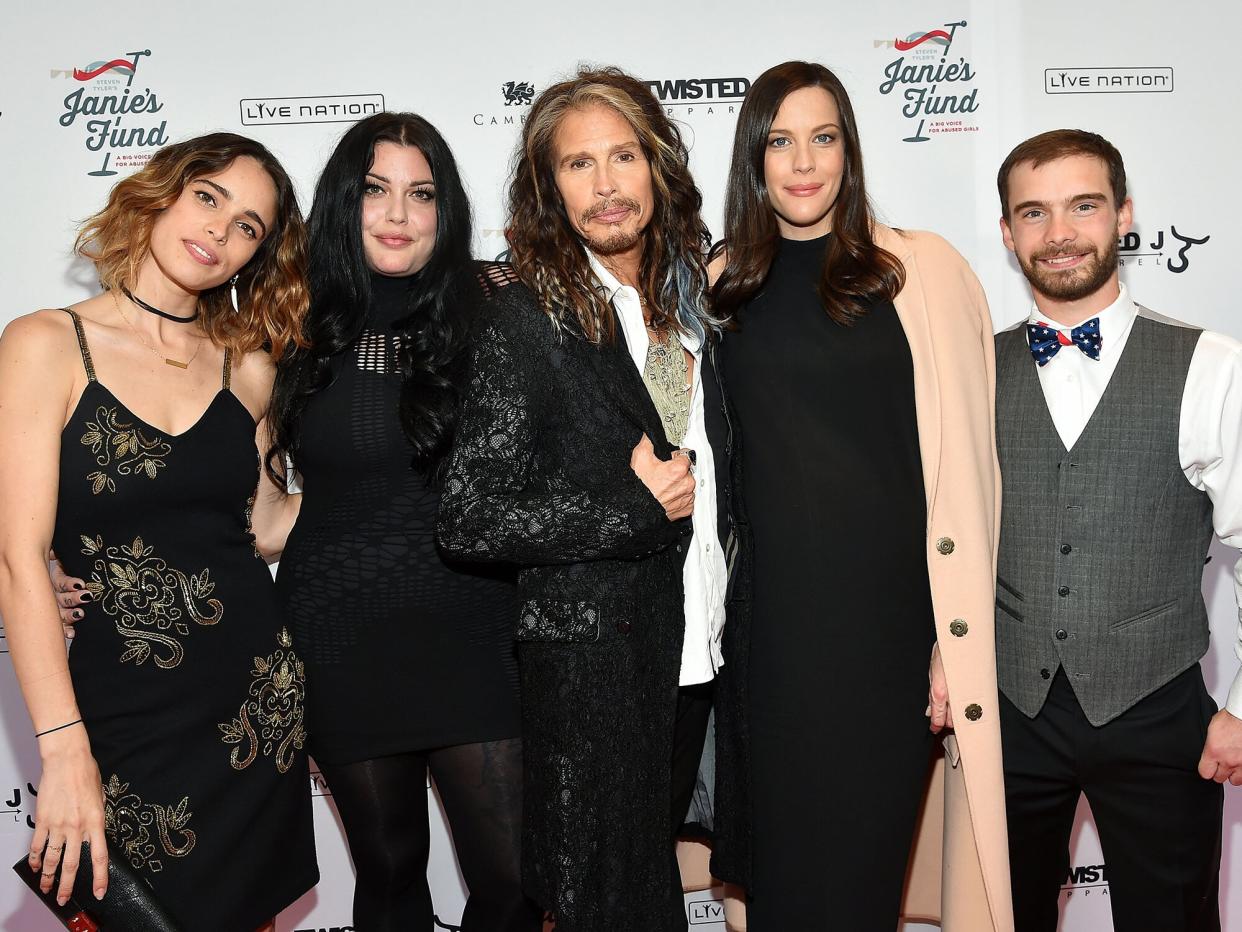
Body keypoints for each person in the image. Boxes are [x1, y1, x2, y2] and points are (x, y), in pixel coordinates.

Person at [708, 61, 1012, 931]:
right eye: (780, 141)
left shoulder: (919, 270)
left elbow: (971, 476)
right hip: (767, 642)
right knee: (780, 892)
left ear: (850, 149)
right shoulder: (721, 284)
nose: (804, 162)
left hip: (891, 643)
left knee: (863, 885)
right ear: (754, 158)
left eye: (824, 137)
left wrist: (955, 644)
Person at [436, 67, 733, 932]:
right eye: (577, 165)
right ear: (546, 187)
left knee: (661, 882)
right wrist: (633, 511)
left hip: (703, 647)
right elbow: (468, 513)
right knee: (610, 905)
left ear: (657, 166)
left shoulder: (693, 299)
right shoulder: (524, 315)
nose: (605, 186)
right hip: (595, 662)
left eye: (623, 157)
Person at [0, 133, 318, 930]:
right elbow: (16, 558)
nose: (219, 230)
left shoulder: (246, 365)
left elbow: (270, 527)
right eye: (209, 197)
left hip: (256, 700)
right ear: (164, 192)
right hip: (119, 709)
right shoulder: (46, 344)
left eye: (249, 225)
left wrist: (386, 473)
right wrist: (63, 749)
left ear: (256, 255)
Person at [260, 111, 539, 932]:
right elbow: (229, 490)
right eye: (376, 191)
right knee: (386, 877)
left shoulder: (498, 310)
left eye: (421, 195)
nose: (397, 214)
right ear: (345, 204)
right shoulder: (289, 327)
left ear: (445, 211)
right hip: (342, 635)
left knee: (515, 883)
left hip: (481, 634)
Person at [993, 129, 1242, 932]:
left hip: (1156, 706)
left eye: (1083, 206)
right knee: (1001, 917)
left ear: (1124, 216)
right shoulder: (967, 366)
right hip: (1004, 710)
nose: (1058, 233)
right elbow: (934, 538)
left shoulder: (1210, 364)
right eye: (1034, 212)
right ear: (1007, 232)